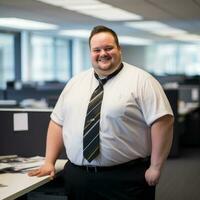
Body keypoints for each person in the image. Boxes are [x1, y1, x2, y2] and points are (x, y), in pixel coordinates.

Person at [28, 25, 174, 200]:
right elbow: (57, 122)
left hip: (125, 179)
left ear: (119, 49)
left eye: (108, 48)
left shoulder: (142, 81)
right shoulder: (75, 82)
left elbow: (163, 122)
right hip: (79, 177)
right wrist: (49, 162)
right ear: (90, 53)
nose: (102, 53)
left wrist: (156, 167)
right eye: (96, 49)